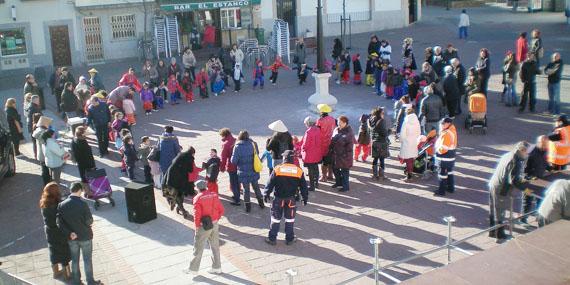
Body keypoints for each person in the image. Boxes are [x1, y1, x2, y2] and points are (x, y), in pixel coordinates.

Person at [56, 182, 101, 285]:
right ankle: (90, 281)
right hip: (85, 237)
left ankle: (76, 281)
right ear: (80, 190)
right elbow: (89, 221)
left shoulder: (61, 205)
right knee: (87, 260)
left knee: (75, 260)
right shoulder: (83, 204)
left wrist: (70, 233)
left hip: (72, 238)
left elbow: (59, 222)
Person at [263, 150, 309, 246]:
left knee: (275, 219)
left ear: (284, 158)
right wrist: (305, 198)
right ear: (292, 159)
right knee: (290, 219)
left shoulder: (277, 169)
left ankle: (272, 238)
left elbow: (270, 183)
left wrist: (266, 194)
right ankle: (289, 239)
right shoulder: (298, 171)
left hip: (278, 198)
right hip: (291, 199)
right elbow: (304, 187)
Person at [488, 141, 529, 240]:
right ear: (522, 150)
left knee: (493, 209)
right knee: (500, 211)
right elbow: (514, 180)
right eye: (526, 152)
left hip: (494, 183)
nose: (527, 154)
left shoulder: (508, 154)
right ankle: (499, 234)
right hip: (501, 188)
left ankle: (492, 232)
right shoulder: (516, 161)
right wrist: (526, 189)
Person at [184, 180, 224, 276]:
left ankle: (193, 269)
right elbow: (221, 210)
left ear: (197, 188)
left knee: (198, 247)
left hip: (204, 225)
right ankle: (217, 267)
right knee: (215, 246)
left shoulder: (198, 198)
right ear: (205, 186)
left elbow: (196, 215)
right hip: (214, 223)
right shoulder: (214, 195)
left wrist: (197, 226)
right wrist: (216, 219)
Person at [39, 182, 71, 280]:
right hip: (59, 231)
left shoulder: (43, 203)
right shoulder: (58, 204)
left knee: (53, 250)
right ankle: (67, 274)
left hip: (49, 230)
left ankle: (56, 273)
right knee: (64, 251)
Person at [230, 130, 265, 212]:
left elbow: (234, 161)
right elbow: (257, 153)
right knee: (256, 187)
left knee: (246, 189)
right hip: (253, 169)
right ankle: (261, 203)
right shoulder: (253, 144)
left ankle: (248, 207)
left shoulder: (237, 146)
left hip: (243, 171)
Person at [521, 135, 549, 223]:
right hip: (528, 183)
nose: (545, 146)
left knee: (540, 200)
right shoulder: (531, 154)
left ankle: (539, 216)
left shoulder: (544, 151)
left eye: (546, 144)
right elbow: (524, 171)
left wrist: (550, 168)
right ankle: (523, 219)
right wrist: (531, 178)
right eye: (544, 144)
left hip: (540, 181)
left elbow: (543, 163)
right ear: (539, 143)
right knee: (527, 201)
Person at [434, 118, 458, 196]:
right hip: (451, 156)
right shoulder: (452, 130)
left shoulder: (446, 133)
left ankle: (441, 191)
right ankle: (451, 188)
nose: (441, 125)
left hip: (444, 158)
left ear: (448, 124)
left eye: (443, 124)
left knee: (442, 174)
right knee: (450, 172)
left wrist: (437, 151)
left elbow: (443, 149)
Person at [330, 115, 354, 192]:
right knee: (335, 168)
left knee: (345, 171)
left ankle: (346, 187)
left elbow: (344, 143)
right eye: (338, 122)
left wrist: (336, 139)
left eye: (340, 122)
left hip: (344, 155)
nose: (338, 124)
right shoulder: (337, 129)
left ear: (345, 123)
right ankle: (338, 182)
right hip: (336, 154)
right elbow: (333, 139)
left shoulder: (349, 132)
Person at [219, 128, 240, 205]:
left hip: (231, 166)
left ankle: (237, 199)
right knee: (237, 181)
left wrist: (222, 167)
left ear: (224, 135)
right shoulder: (236, 140)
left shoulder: (226, 144)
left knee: (233, 183)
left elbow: (223, 157)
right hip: (239, 165)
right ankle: (237, 195)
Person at [300, 116, 322, 192]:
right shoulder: (318, 129)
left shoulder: (308, 131)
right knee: (316, 167)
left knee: (310, 170)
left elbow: (306, 144)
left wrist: (302, 149)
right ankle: (316, 183)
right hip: (317, 152)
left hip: (310, 153)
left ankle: (312, 186)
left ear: (308, 123)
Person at [399, 108, 421, 181]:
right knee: (411, 159)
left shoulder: (406, 121)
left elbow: (402, 134)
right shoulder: (417, 121)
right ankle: (410, 173)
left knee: (407, 159)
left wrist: (402, 140)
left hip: (406, 142)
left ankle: (409, 176)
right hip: (414, 141)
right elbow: (419, 132)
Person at [369, 107, 390, 180]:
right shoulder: (381, 121)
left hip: (374, 141)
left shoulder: (371, 119)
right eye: (382, 113)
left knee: (375, 159)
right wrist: (389, 131)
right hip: (381, 142)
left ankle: (374, 175)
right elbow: (384, 133)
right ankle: (381, 176)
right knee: (381, 159)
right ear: (380, 113)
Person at [316, 104, 336, 182]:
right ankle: (330, 175)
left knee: (324, 161)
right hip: (331, 141)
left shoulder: (320, 120)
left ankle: (323, 176)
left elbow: (318, 131)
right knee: (330, 159)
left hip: (323, 143)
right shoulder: (332, 119)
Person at [33, 116, 54, 185]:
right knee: (46, 170)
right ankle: (47, 183)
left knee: (44, 169)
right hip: (45, 154)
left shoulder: (38, 130)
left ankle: (47, 183)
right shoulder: (43, 132)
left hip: (41, 154)